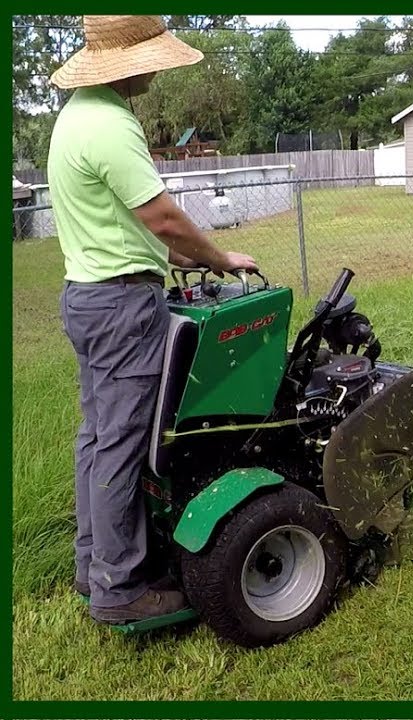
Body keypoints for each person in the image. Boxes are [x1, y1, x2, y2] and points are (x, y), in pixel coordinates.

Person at [47, 15, 258, 625]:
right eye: (154, 59)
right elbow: (162, 218)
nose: (159, 69)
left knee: (96, 438)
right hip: (121, 308)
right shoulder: (112, 125)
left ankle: (96, 565)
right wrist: (218, 257)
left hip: (86, 295)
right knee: (123, 444)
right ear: (131, 61)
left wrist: (188, 261)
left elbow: (129, 229)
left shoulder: (74, 119)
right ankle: (122, 591)